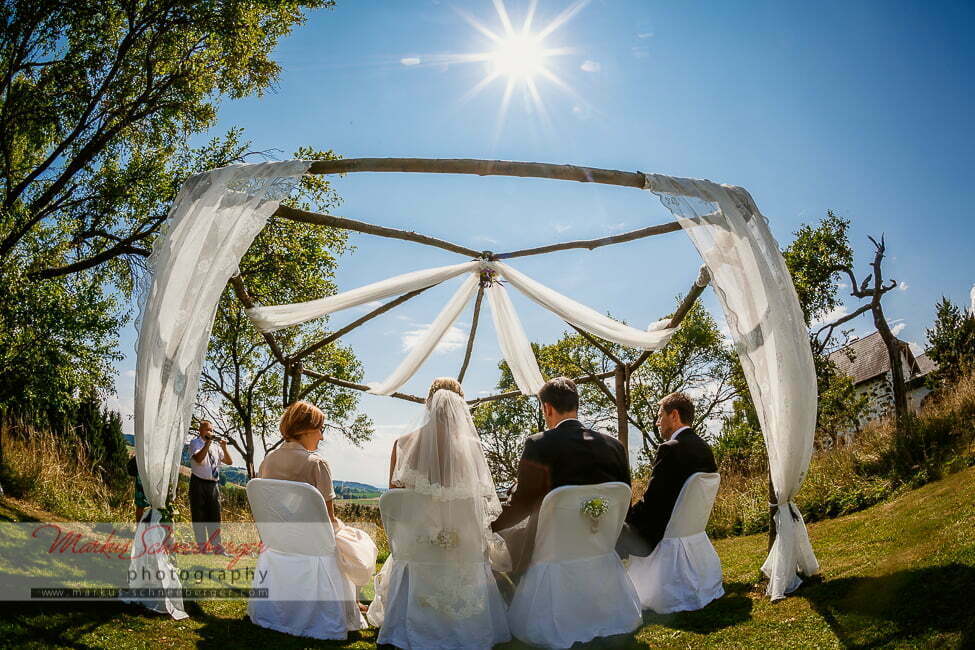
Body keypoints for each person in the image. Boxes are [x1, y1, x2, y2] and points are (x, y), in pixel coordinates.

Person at [368, 377, 510, 642]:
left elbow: (396, 501)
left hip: (418, 544)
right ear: (461, 407)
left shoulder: (403, 443)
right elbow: (479, 504)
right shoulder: (472, 450)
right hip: (461, 547)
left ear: (428, 403)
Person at [491, 376, 631, 578]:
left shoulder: (539, 445)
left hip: (554, 554)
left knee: (511, 537)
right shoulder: (614, 446)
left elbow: (521, 505)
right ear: (576, 405)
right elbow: (623, 502)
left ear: (547, 408)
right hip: (600, 547)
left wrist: (490, 526)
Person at [258, 400, 377, 614]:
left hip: (278, 538)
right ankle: (349, 601)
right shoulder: (317, 464)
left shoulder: (268, 461)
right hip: (311, 541)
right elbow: (329, 520)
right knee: (361, 540)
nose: (322, 436)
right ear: (307, 429)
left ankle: (351, 600)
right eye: (321, 430)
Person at [619, 391, 717, 557]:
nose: (658, 423)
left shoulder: (670, 449)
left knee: (613, 535)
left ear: (674, 415)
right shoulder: (704, 448)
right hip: (693, 536)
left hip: (663, 537)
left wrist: (623, 520)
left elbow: (652, 502)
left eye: (660, 416)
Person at [188, 420, 231, 554]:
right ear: (200, 430)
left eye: (212, 430)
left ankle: (217, 547)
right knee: (199, 515)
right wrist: (207, 444)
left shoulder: (216, 447)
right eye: (207, 430)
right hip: (198, 483)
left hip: (213, 485)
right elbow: (199, 459)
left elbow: (229, 461)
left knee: (215, 516)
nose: (210, 432)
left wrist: (224, 447)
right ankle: (202, 548)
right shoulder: (195, 443)